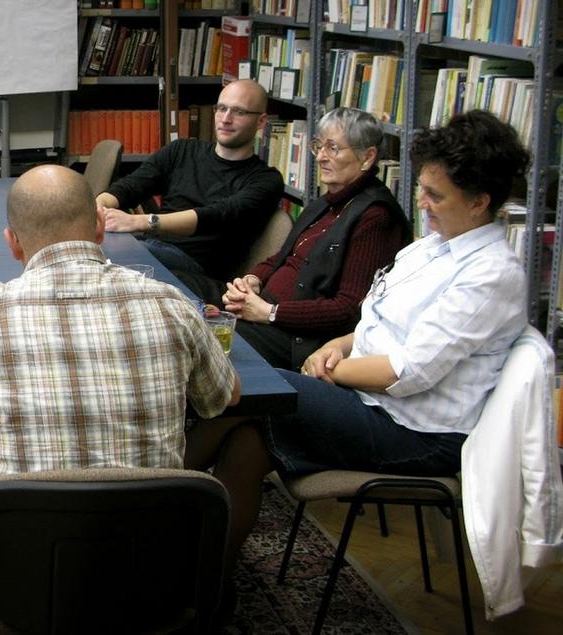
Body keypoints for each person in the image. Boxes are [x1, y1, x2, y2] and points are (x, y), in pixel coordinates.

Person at [0, 165, 241, 623]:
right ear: (97, 228)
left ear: (12, 243)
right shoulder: (170, 303)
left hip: (16, 578)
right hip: (150, 573)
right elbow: (224, 398)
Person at [208, 110, 530, 595]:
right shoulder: (430, 248)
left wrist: (332, 372)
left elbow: (408, 371)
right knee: (246, 442)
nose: (421, 203)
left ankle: (152, 519)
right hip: (372, 401)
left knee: (248, 389)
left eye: (435, 195)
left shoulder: (492, 274)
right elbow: (373, 318)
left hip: (416, 432)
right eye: (422, 187)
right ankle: (206, 583)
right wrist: (337, 347)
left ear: (481, 201)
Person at [222, 108, 411, 370]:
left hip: (298, 340)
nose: (321, 157)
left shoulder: (376, 218)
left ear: (367, 157)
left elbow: (349, 310)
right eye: (318, 146)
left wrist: (269, 314)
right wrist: (252, 280)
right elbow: (282, 258)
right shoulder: (325, 203)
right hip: (263, 312)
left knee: (201, 343)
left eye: (332, 148)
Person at [97, 79, 284, 300]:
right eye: (221, 108)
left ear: (261, 121)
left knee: (108, 257)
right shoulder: (181, 151)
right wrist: (99, 207)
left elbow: (215, 216)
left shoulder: (266, 180)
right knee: (85, 247)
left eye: (239, 112)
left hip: (195, 268)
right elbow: (131, 186)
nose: (226, 119)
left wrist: (140, 222)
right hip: (152, 246)